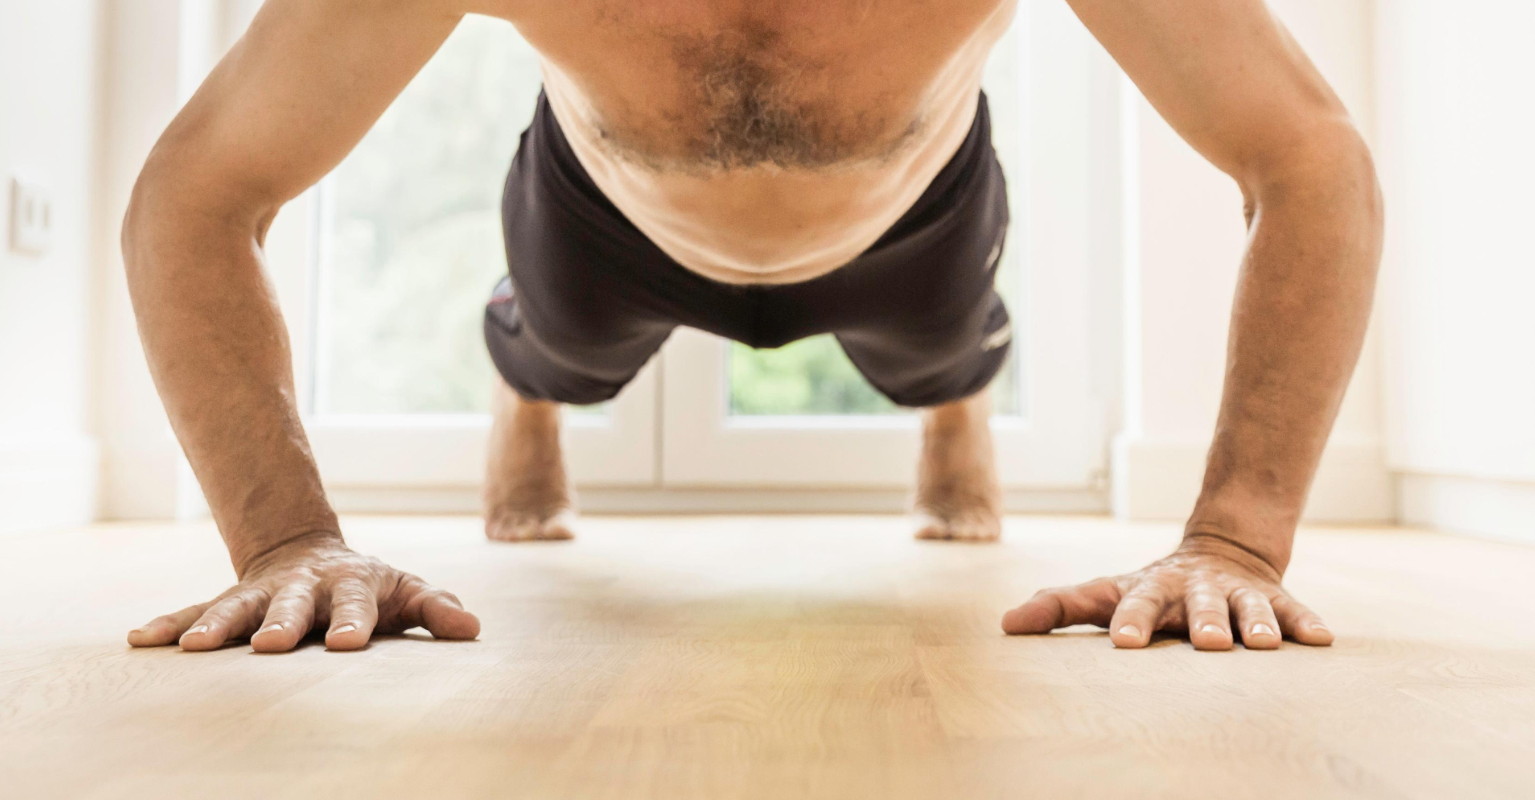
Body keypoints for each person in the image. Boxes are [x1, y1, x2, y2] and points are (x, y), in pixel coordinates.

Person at [121, 0, 1381, 655]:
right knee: (558, 346)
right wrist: (284, 539)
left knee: (940, 352)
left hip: (912, 209)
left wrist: (1234, 541)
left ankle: (950, 402)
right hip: (606, 210)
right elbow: (199, 193)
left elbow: (1307, 160)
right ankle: (529, 378)